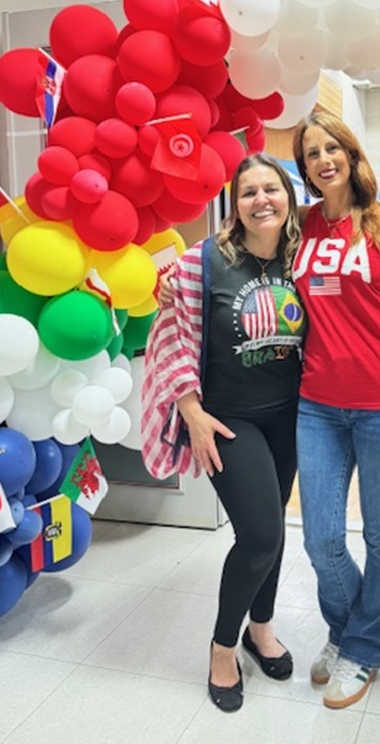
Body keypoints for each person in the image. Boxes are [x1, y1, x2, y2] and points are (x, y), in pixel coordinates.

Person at [142, 154, 306, 714]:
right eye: (248, 192)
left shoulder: (301, 256)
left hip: (290, 416)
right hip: (227, 421)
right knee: (259, 536)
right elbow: (170, 333)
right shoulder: (203, 260)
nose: (262, 200)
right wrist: (190, 409)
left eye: (271, 189)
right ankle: (222, 647)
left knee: (274, 530)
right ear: (234, 204)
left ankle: (262, 628)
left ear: (288, 196)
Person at [292, 111, 380, 710]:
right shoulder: (300, 225)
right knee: (320, 539)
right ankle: (349, 632)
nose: (324, 160)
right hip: (317, 405)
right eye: (312, 153)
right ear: (304, 168)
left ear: (350, 155)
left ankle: (363, 650)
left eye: (333, 148)